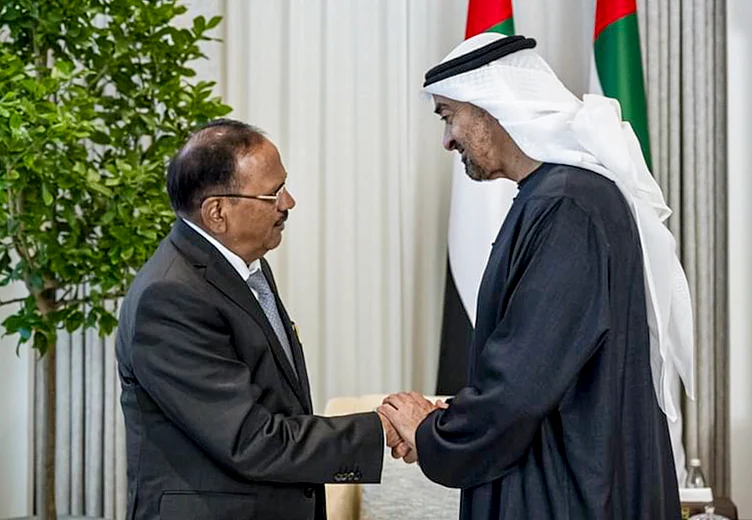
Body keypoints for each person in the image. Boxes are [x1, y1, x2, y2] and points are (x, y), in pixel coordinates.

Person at [379, 34, 695, 519]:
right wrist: (452, 425)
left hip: (569, 492)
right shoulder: (556, 195)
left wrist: (432, 433)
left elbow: (523, 382)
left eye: (448, 115)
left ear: (488, 107)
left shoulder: (567, 204)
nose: (446, 141)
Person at [116, 119, 405, 520]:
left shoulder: (244, 266)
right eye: (273, 194)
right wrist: (381, 429)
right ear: (217, 212)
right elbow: (250, 440)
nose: (289, 203)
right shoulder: (170, 298)